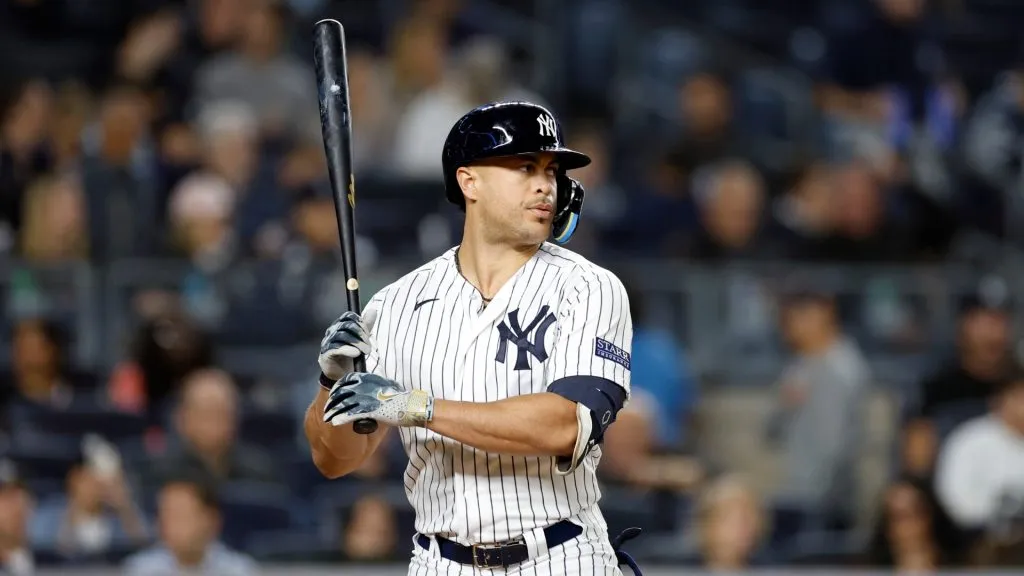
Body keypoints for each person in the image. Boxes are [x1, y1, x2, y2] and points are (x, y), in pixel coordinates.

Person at [304, 101, 641, 575]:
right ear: (469, 182)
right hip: (440, 561)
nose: (546, 183)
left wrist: (414, 407)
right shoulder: (397, 303)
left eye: (551, 169)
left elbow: (565, 424)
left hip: (558, 555)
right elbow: (336, 460)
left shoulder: (589, 287)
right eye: (525, 166)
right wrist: (329, 385)